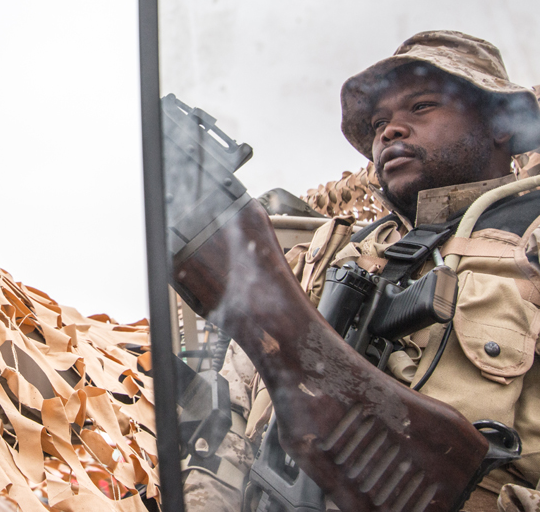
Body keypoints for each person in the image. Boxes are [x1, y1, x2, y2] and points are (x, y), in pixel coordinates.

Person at [183, 30, 540, 512]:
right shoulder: (320, 261)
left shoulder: (530, 242)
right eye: (377, 123)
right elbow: (231, 429)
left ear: (500, 122)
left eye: (421, 107)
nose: (389, 132)